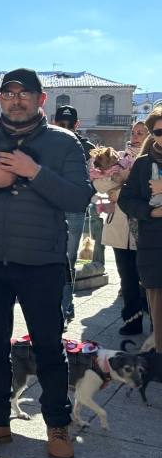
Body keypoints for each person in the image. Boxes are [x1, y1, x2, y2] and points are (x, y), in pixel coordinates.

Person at [0, 68, 92, 458]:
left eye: (24, 93)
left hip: (42, 262)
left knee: (48, 347)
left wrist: (34, 173)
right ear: (0, 100)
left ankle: (57, 425)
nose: (16, 100)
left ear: (40, 100)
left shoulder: (64, 144)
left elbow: (79, 198)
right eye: (8, 93)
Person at [98, 121, 149, 335]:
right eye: (134, 132)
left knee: (147, 278)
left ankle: (154, 320)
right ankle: (132, 321)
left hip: (146, 229)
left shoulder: (151, 159)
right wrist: (115, 181)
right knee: (126, 277)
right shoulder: (117, 157)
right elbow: (100, 185)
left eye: (142, 132)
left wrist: (121, 186)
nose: (136, 136)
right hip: (120, 229)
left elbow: (145, 191)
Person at [119, 107, 162, 353]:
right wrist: (151, 212)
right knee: (159, 312)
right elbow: (127, 200)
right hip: (154, 246)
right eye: (158, 131)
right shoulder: (143, 164)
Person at [54, 104, 97, 322]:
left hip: (70, 210)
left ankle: (63, 307)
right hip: (60, 210)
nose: (66, 127)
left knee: (65, 261)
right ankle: (63, 307)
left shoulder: (87, 148)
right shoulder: (48, 143)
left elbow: (95, 181)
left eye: (68, 124)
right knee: (61, 261)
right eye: (63, 124)